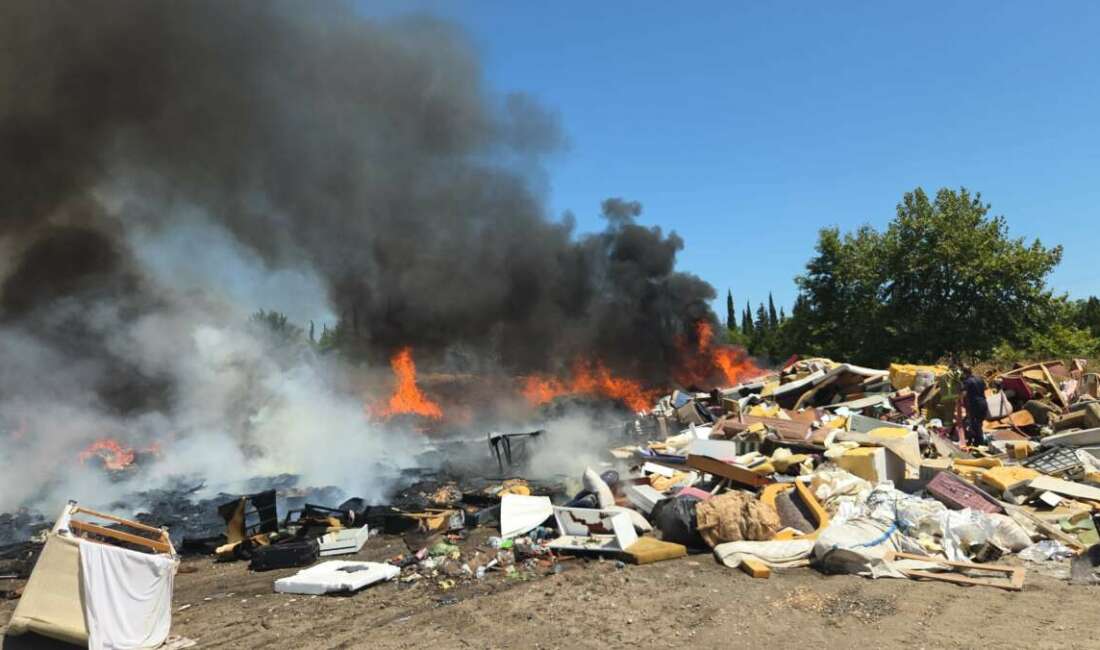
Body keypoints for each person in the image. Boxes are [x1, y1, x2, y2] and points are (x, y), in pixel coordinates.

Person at [960, 366, 989, 447]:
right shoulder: (980, 379)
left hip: (975, 405)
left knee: (975, 425)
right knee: (979, 424)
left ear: (965, 373)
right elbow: (985, 388)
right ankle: (978, 442)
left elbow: (963, 394)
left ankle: (979, 444)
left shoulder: (967, 382)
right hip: (983, 403)